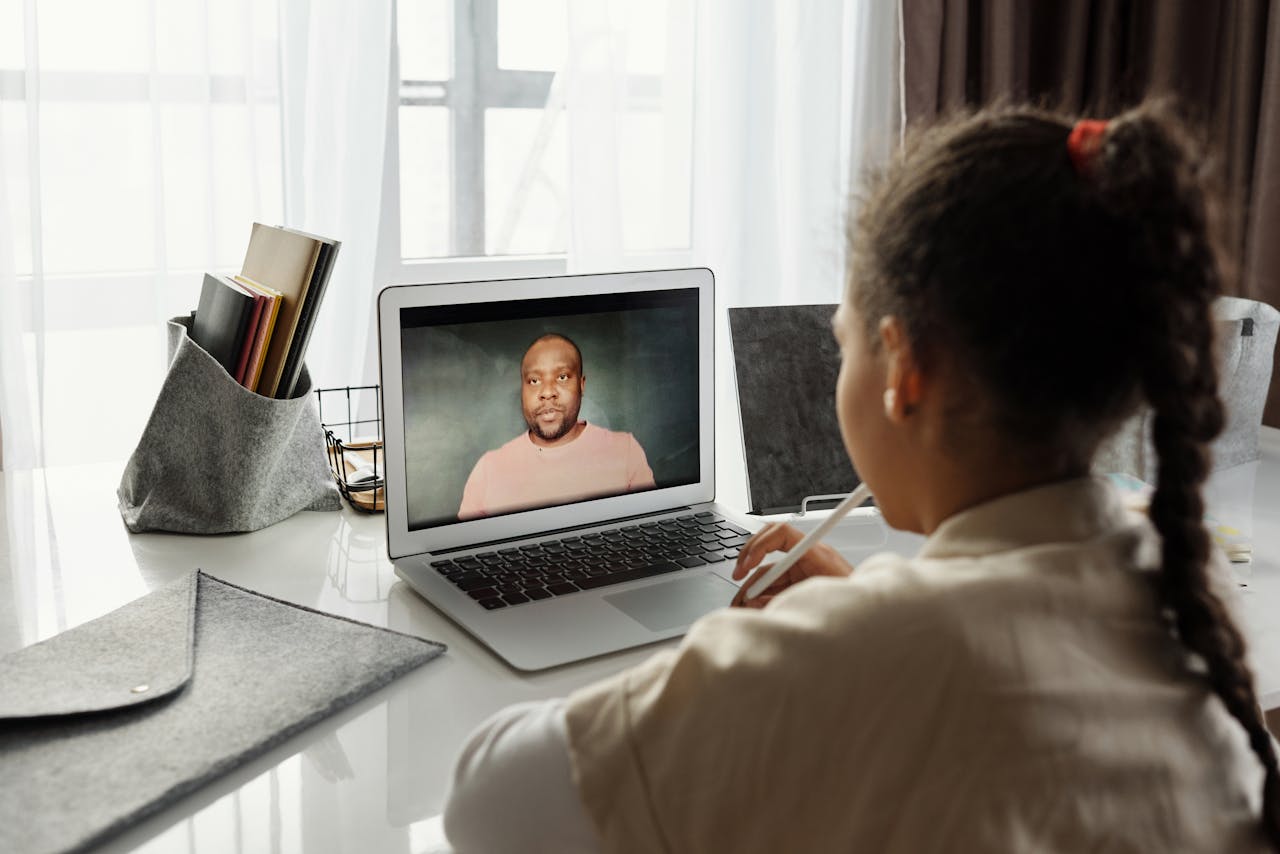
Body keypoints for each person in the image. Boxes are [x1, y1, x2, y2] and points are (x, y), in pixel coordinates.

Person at [441, 103, 1279, 852]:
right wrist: (858, 613)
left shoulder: (849, 663)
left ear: (904, 369)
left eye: (844, 342)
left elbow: (487, 807)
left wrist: (742, 662)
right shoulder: (1180, 582)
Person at [457, 333, 656, 520]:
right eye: (534, 380)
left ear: (581, 385)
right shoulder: (488, 469)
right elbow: (464, 547)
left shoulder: (625, 451)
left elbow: (649, 532)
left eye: (562, 377)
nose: (547, 392)